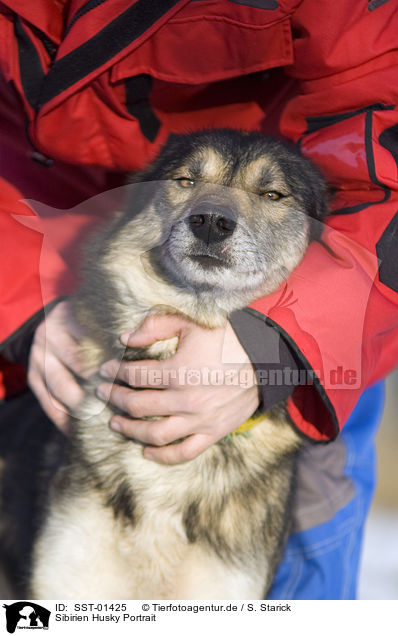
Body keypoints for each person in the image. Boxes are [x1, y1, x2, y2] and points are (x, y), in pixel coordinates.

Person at [0, 0, 397, 598]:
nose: (214, 214)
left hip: (319, 331)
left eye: (270, 196)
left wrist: (277, 348)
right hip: (61, 299)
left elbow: (385, 158)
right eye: (191, 184)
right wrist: (20, 297)